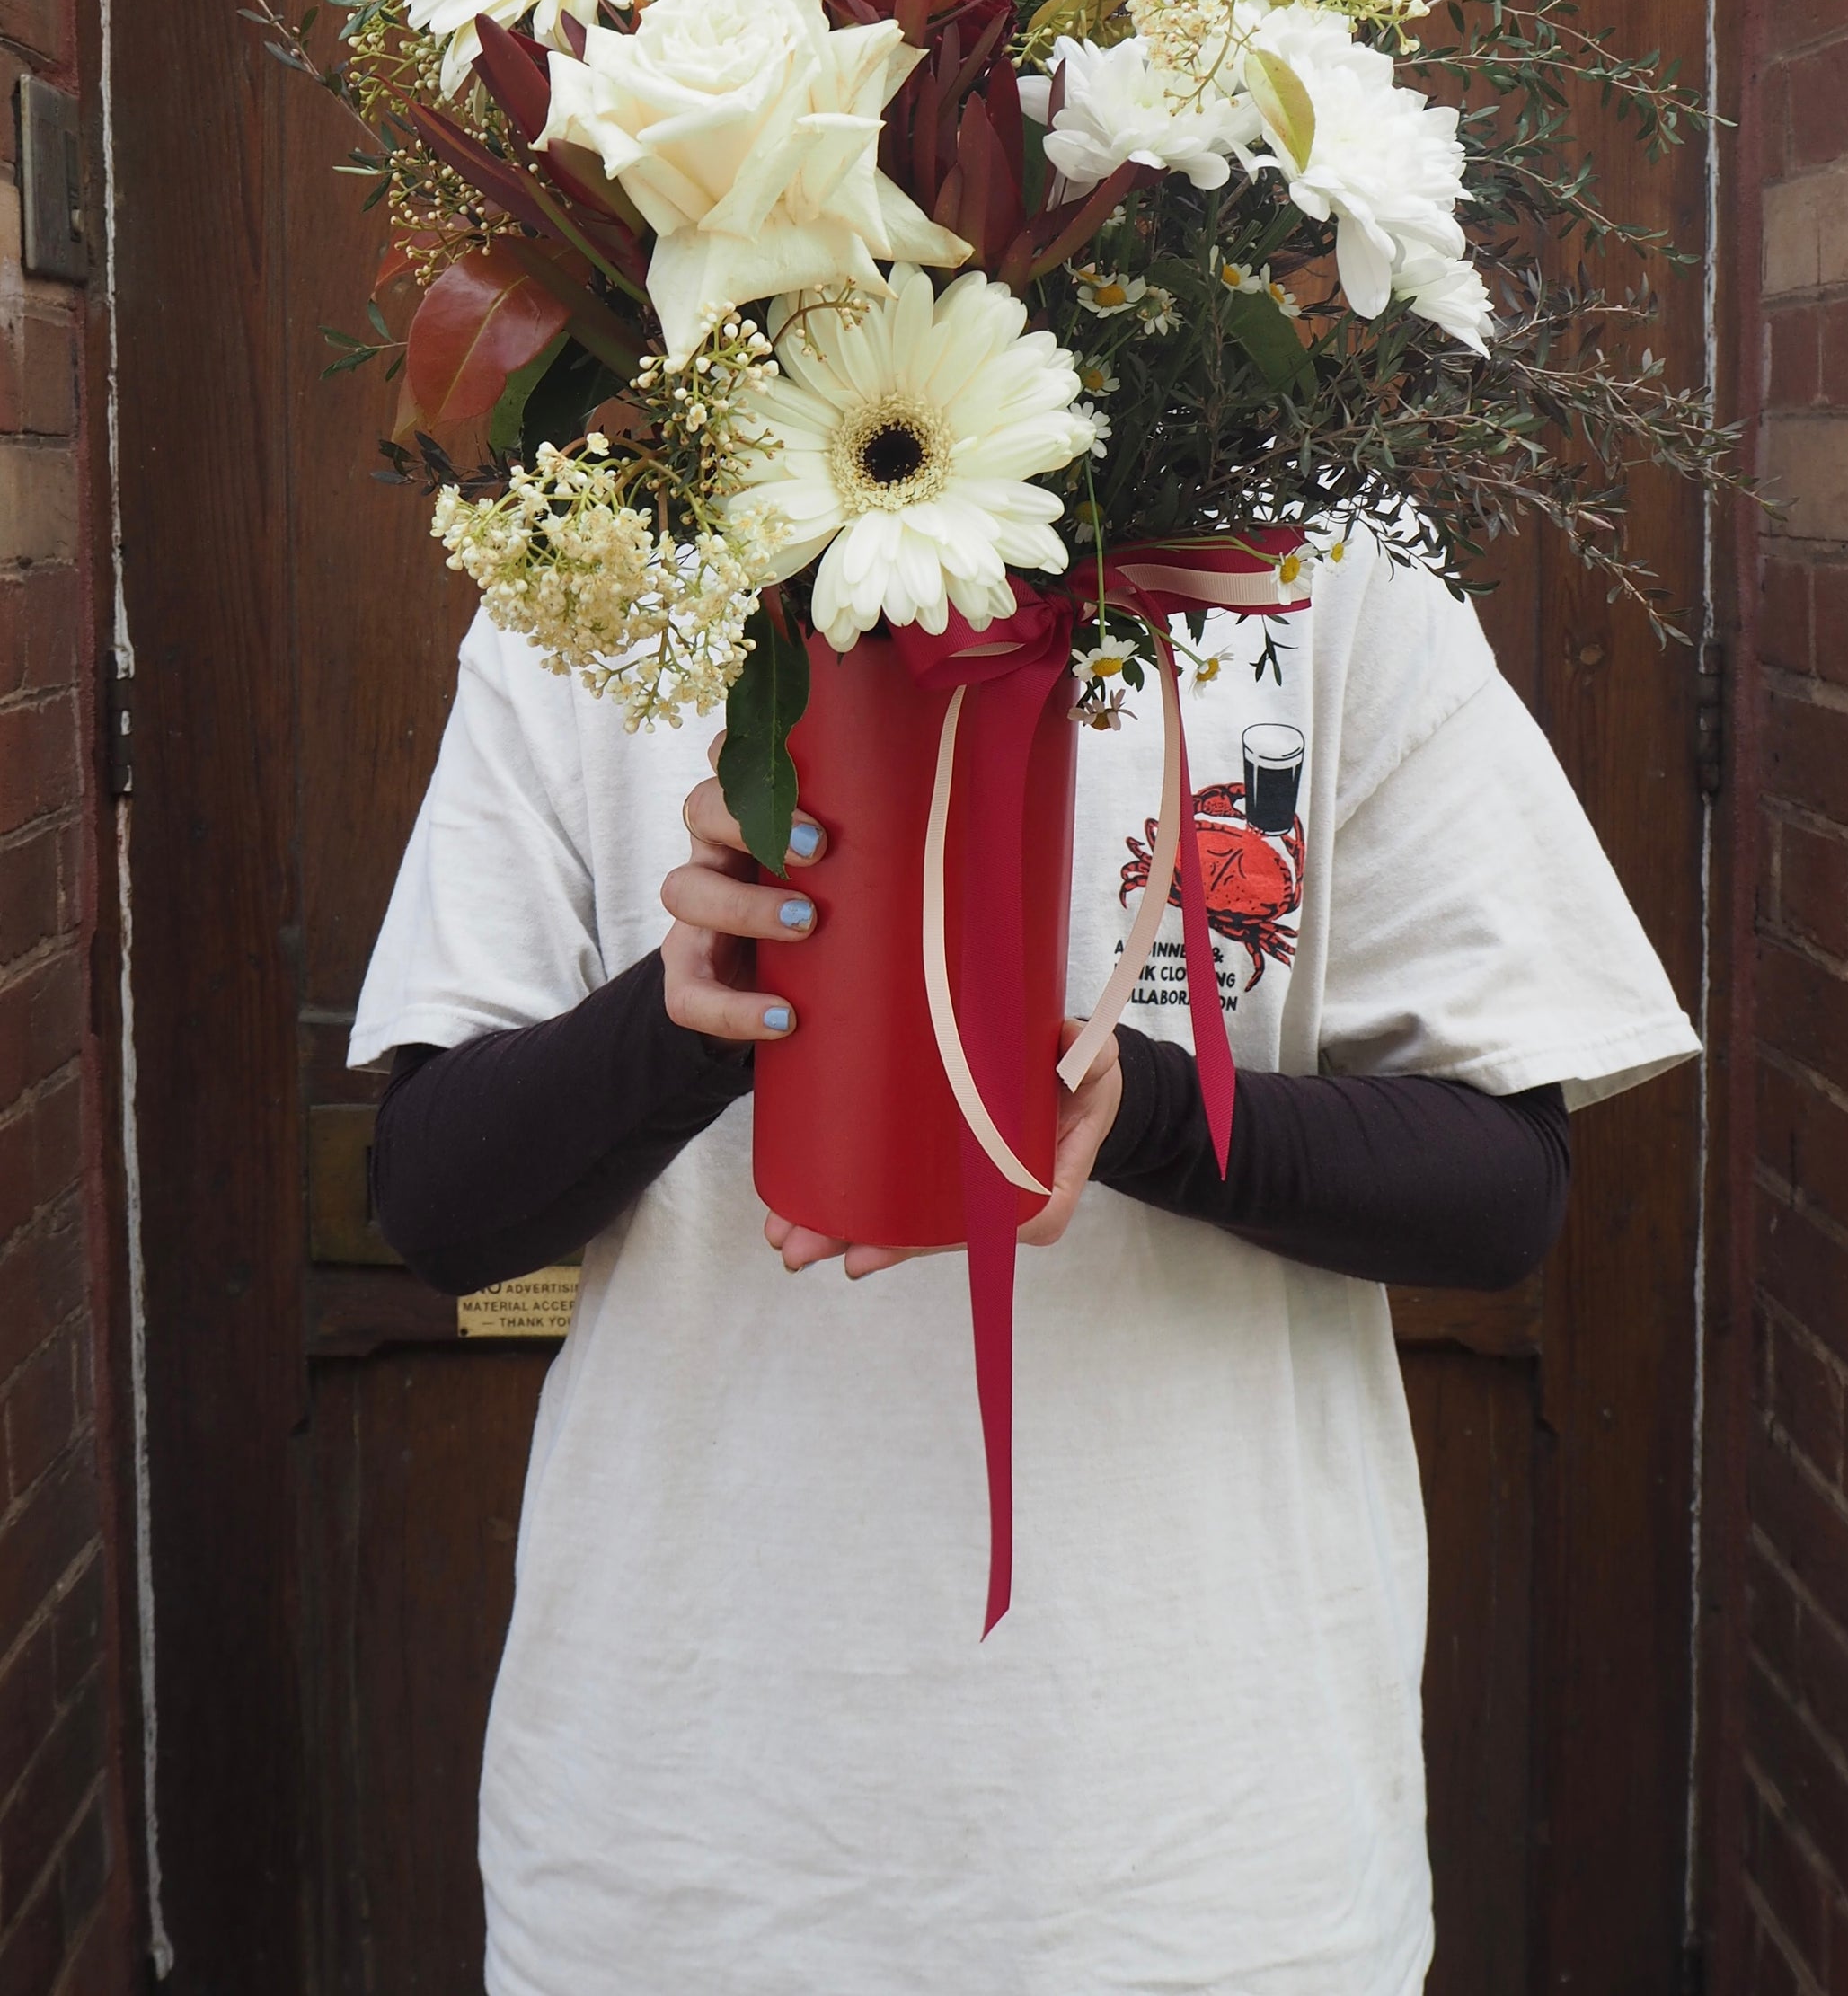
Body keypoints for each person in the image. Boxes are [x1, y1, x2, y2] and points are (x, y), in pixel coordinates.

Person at [354, 532, 1698, 1996]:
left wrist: (1141, 1113)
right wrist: (697, 1011)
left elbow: (1501, 1190)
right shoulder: (609, 563)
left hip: (1204, 1868)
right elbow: (440, 1205)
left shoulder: (1313, 567)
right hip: (691, 1854)